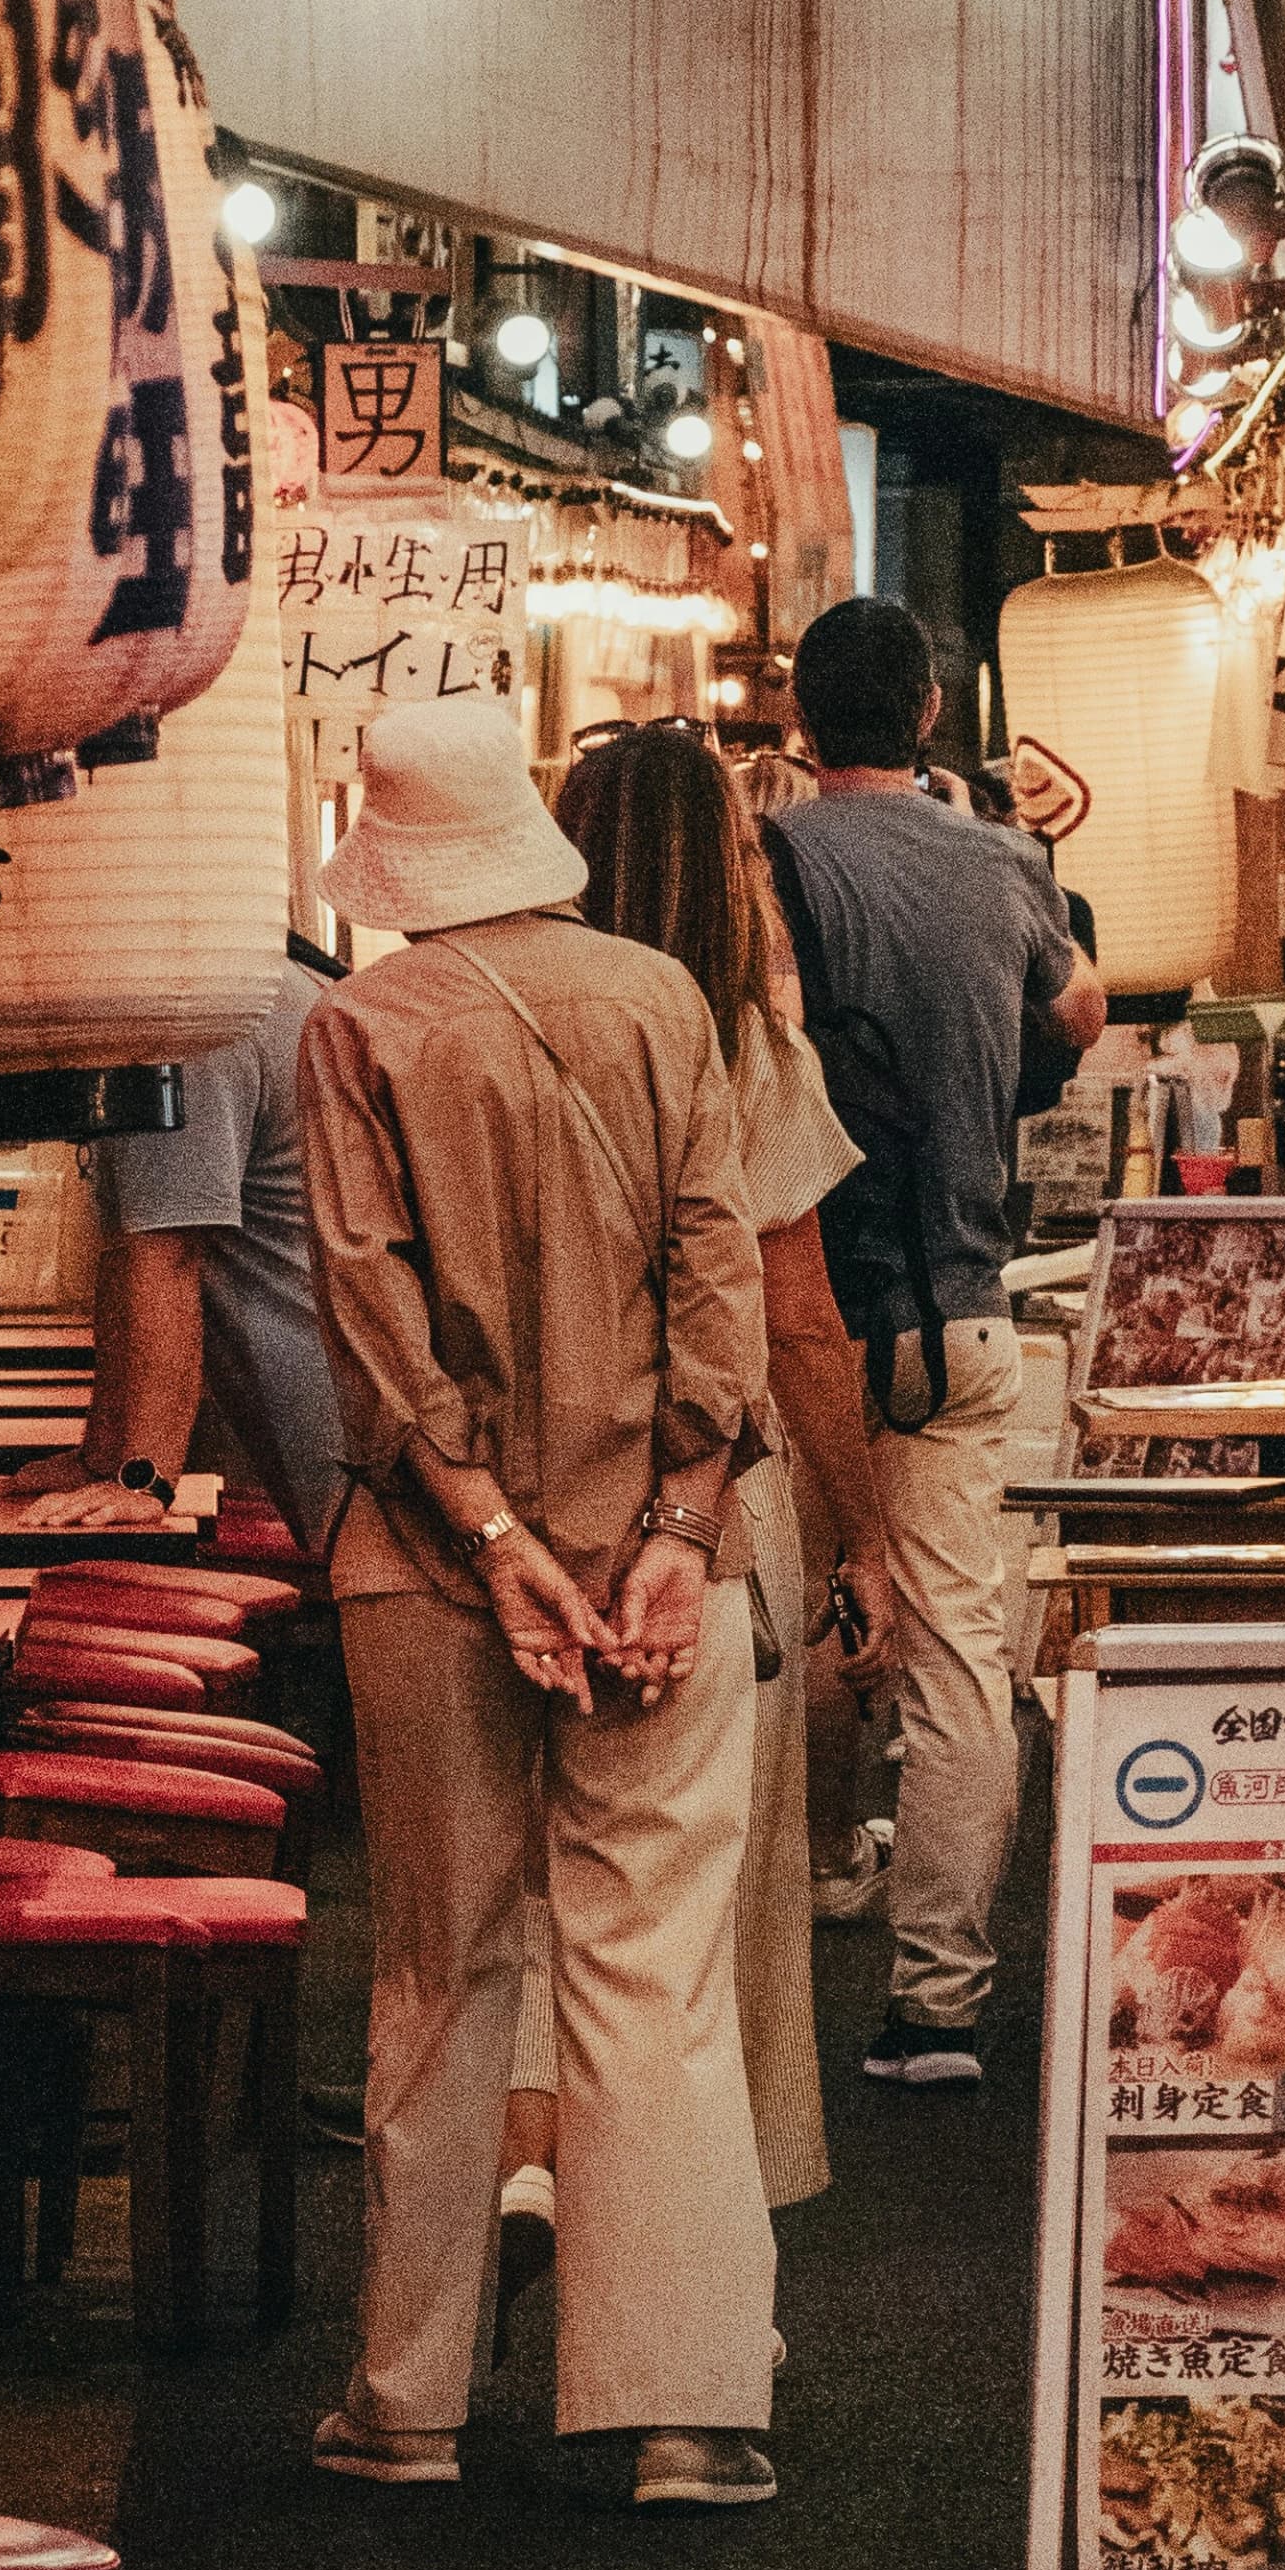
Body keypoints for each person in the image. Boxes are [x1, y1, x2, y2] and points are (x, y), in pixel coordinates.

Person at [297, 697, 783, 2511]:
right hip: (659, 1549)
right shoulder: (660, 1001)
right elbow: (711, 1262)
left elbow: (368, 1302)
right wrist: (671, 1521)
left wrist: (494, 1536)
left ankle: (407, 2402)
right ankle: (682, 2411)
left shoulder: (356, 1030)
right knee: (651, 1965)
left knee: (440, 1970)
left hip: (427, 1571)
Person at [524, 718, 898, 2223]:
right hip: (711, 1501)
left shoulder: (514, 1021)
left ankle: (549, 2159)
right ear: (711, 865)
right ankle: (698, 2243)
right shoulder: (743, 1042)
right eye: (745, 847)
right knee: (714, 1897)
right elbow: (798, 1321)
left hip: (526, 1502)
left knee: (562, 1884)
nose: (761, 867)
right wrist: (867, 1535)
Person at [769, 592, 1106, 2087]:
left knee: (789, 1632)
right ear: (924, 714)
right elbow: (1083, 1011)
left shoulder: (767, 862)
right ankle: (939, 2005)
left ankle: (762, 1965)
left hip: (805, 1320)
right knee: (968, 1657)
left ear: (797, 722)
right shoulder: (1006, 859)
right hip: (968, 1310)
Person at [10, 942, 351, 1548]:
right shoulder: (229, 980)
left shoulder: (197, 1014)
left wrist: (144, 1479)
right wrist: (102, 1456)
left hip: (328, 1428)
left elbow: (168, 1256)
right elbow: (126, 1251)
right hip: (311, 1406)